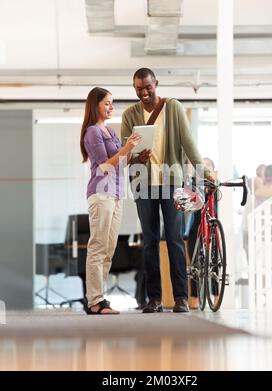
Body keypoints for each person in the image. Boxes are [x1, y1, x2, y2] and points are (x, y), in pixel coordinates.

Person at [121, 68, 213, 313]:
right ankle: (155, 298)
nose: (143, 92)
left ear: (156, 84)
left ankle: (181, 297)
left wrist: (204, 172)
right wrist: (138, 156)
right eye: (138, 89)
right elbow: (125, 155)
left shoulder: (173, 108)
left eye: (147, 87)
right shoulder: (130, 114)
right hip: (143, 184)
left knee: (173, 238)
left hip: (172, 182)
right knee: (150, 241)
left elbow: (188, 143)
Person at [80, 87, 141, 315]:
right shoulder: (92, 132)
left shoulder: (112, 133)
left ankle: (100, 297)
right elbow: (105, 165)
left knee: (109, 249)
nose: (111, 107)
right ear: (95, 105)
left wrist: (136, 153)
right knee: (98, 247)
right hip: (100, 193)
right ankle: (94, 301)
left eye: (111, 103)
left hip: (116, 194)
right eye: (107, 103)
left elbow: (120, 162)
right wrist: (127, 148)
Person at [187, 157, 218, 310]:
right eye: (202, 168)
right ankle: (193, 297)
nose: (205, 170)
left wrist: (211, 186)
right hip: (196, 229)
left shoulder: (214, 187)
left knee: (215, 260)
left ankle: (217, 295)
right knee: (194, 263)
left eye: (208, 167)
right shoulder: (193, 185)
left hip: (212, 228)